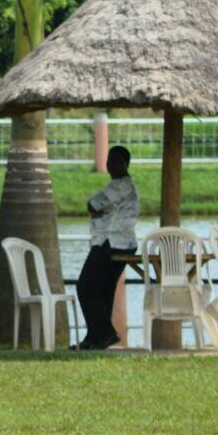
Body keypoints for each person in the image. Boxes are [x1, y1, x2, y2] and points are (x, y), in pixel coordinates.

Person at [75, 145, 139, 350]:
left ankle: (105, 333)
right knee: (103, 290)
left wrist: (100, 212)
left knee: (85, 286)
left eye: (115, 161)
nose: (110, 165)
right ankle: (95, 338)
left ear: (125, 164)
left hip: (110, 244)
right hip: (125, 244)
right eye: (108, 161)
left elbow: (93, 205)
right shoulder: (127, 186)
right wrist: (103, 211)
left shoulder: (119, 186)